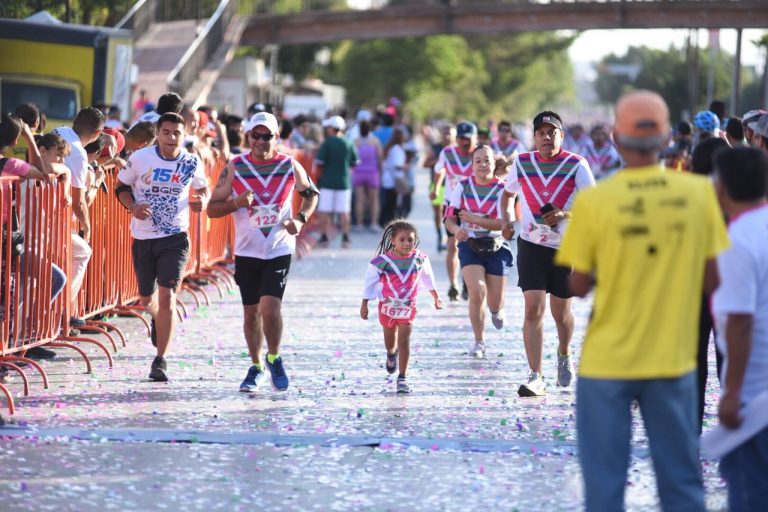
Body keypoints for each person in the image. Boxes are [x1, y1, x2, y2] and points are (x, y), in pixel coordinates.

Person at [556, 90, 728, 511]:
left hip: (606, 362)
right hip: (671, 359)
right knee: (682, 484)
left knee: (604, 486)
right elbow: (714, 277)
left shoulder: (596, 201)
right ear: (667, 136)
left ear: (615, 137)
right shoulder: (698, 196)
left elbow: (577, 285)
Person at [207, 112, 319, 393]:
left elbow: (311, 193)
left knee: (270, 308)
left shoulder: (289, 165)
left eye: (266, 136)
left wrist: (300, 220)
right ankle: (256, 366)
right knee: (251, 313)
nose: (260, 141)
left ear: (275, 138)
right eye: (255, 135)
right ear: (247, 137)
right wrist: (236, 203)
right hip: (247, 250)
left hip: (278, 247)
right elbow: (212, 208)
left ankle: (274, 357)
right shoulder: (235, 167)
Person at [500, 111, 595, 396]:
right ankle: (535, 376)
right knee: (532, 310)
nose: (546, 137)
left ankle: (564, 354)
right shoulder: (522, 162)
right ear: (534, 137)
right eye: (541, 132)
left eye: (552, 132)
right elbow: (508, 194)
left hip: (565, 247)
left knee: (561, 313)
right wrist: (506, 220)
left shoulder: (576, 165)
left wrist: (566, 213)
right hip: (530, 244)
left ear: (561, 136)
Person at [115, 112, 210, 382]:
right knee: (147, 300)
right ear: (158, 133)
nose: (171, 138)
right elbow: (120, 186)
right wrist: (132, 207)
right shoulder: (141, 158)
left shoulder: (191, 161)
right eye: (166, 132)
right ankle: (159, 318)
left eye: (176, 133)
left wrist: (201, 200)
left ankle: (160, 360)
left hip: (175, 238)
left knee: (168, 296)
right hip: (144, 238)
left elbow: (204, 189)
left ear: (184, 135)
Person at [711, 147, 768, 511]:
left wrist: (731, 392)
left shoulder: (736, 241)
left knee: (750, 494)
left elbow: (740, 324)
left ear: (723, 188)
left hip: (755, 398)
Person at [445, 145, 513, 358]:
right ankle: (479, 341)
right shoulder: (462, 186)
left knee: (494, 302)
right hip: (470, 246)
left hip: (496, 246)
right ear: (472, 165)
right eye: (478, 161)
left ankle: (496, 310)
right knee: (477, 292)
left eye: (487, 160)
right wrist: (456, 230)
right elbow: (449, 218)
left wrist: (474, 219)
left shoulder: (505, 189)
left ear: (494, 164)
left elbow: (503, 223)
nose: (483, 165)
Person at [361, 219, 443, 393]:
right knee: (390, 343)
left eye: (410, 240)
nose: (406, 243)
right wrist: (365, 304)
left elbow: (428, 277)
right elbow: (370, 282)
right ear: (393, 240)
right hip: (387, 306)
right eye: (402, 239)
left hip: (408, 306)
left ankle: (402, 377)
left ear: (416, 240)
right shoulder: (381, 261)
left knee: (404, 340)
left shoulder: (420, 259)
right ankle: (391, 354)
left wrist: (436, 297)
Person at [53, 107, 104, 328]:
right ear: (97, 133)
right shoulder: (78, 152)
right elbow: (78, 199)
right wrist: (87, 226)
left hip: (41, 210)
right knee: (83, 251)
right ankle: (60, 311)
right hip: (51, 217)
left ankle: (57, 312)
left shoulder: (60, 131)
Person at [432, 121, 477, 301]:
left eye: (468, 139)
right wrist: (436, 187)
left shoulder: (480, 154)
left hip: (475, 207)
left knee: (472, 246)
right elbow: (439, 170)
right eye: (461, 138)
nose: (464, 142)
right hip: (452, 205)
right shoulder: (447, 152)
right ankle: (453, 285)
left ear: (474, 138)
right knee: (453, 245)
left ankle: (468, 281)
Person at [315, 115, 359, 248]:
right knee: (344, 211)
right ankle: (346, 237)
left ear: (332, 128)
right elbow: (355, 162)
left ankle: (324, 237)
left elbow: (319, 162)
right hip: (344, 182)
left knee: (324, 210)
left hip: (327, 181)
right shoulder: (349, 142)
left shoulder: (327, 143)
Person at [424, 124, 456, 253]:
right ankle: (439, 235)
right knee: (438, 213)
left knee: (449, 215)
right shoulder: (436, 148)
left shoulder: (457, 150)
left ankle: (450, 238)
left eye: (450, 134)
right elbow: (425, 163)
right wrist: (439, 161)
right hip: (437, 184)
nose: (447, 136)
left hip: (453, 188)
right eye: (445, 133)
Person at [351, 120, 382, 231]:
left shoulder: (355, 142)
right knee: (374, 199)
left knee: (360, 199)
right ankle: (373, 223)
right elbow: (380, 158)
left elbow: (352, 159)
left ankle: (359, 224)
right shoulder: (375, 141)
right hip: (372, 172)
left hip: (358, 172)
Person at [380, 128, 407, 227]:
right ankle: (389, 223)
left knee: (388, 202)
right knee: (392, 203)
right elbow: (397, 165)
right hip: (394, 179)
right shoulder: (396, 149)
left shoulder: (391, 147)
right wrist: (406, 166)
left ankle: (386, 222)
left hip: (388, 179)